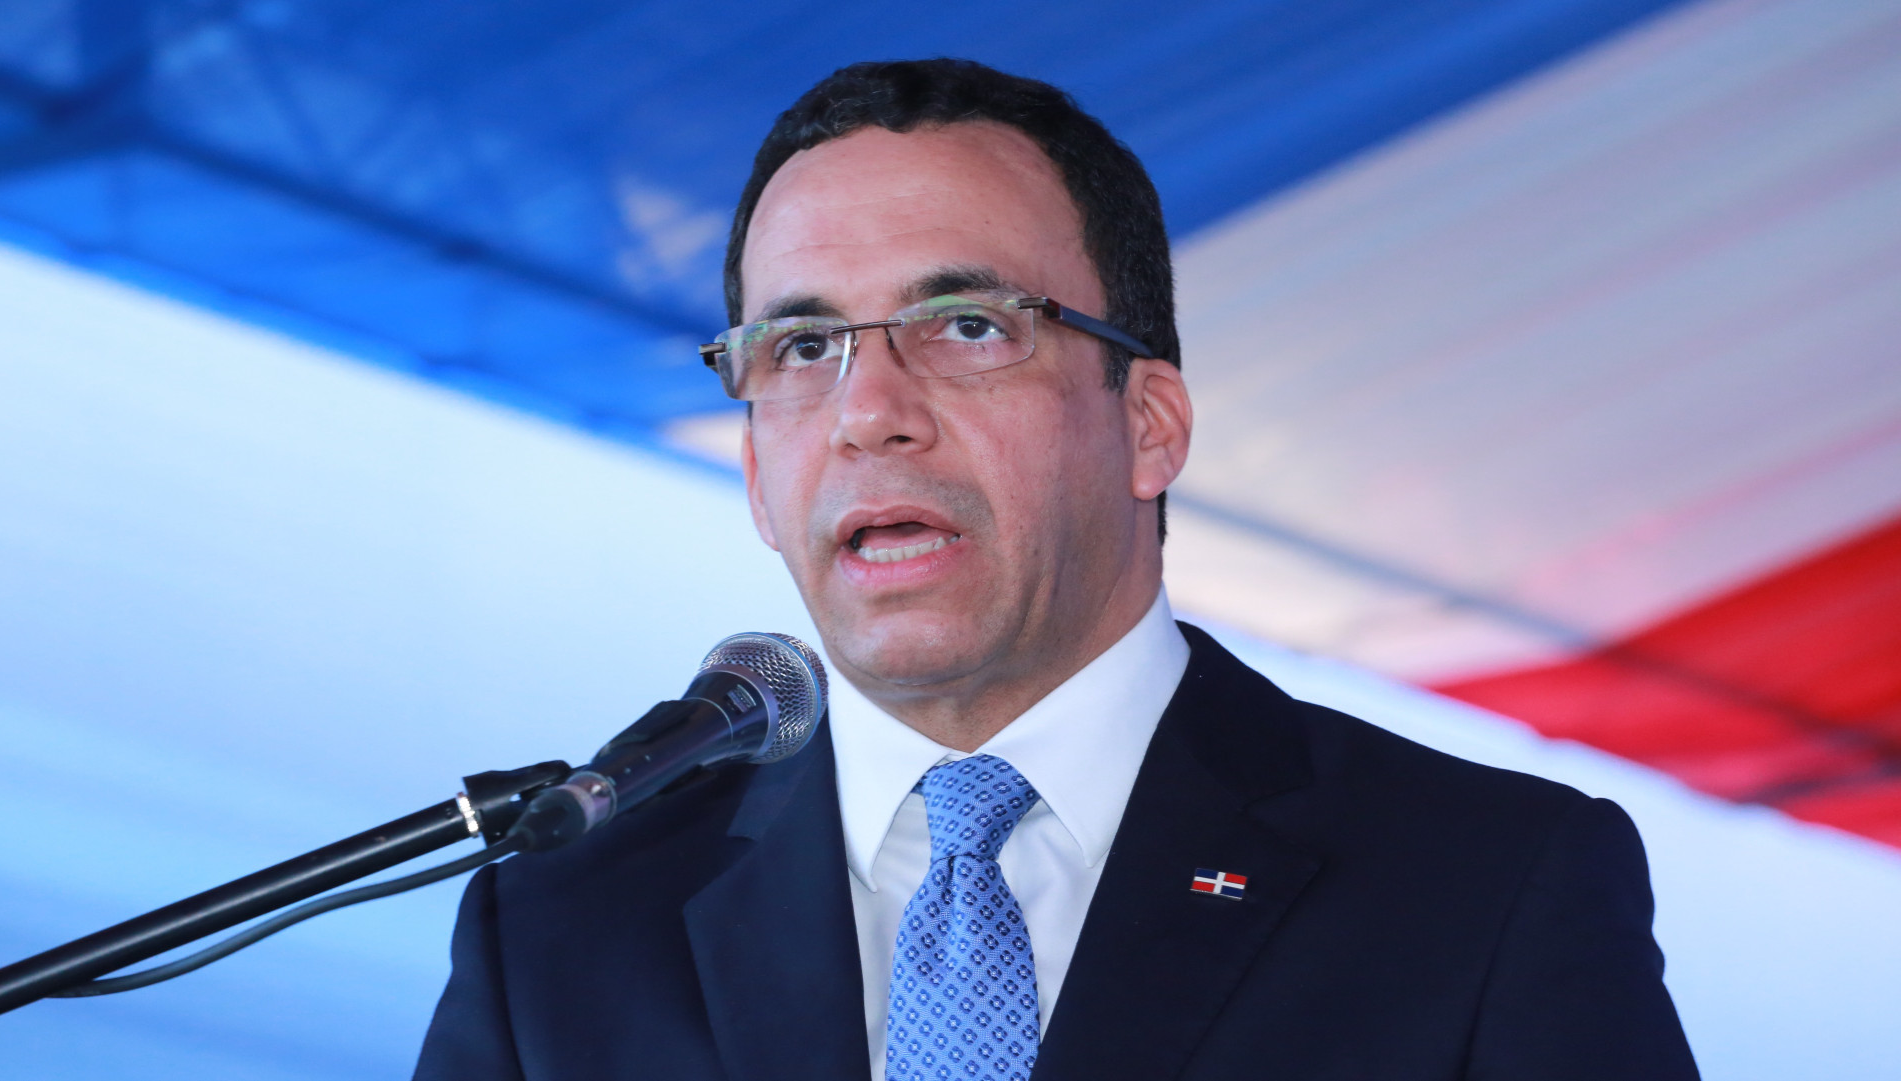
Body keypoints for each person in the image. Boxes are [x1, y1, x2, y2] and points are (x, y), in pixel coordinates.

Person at [414, 59, 1698, 1081]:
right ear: (756, 475)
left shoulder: (1485, 888)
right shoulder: (565, 929)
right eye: (803, 348)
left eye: (967, 326)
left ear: (1150, 426)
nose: (869, 413)